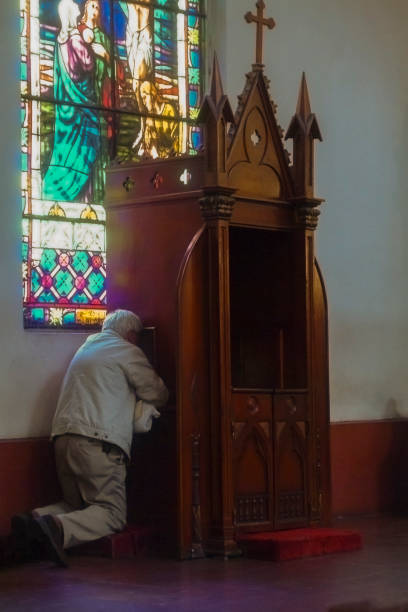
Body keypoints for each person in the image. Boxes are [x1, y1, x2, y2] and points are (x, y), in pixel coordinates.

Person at [11, 309, 168, 567]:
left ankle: (32, 521)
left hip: (62, 438)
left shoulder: (86, 347)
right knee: (112, 513)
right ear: (130, 335)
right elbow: (157, 391)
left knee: (75, 504)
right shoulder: (126, 350)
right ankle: (57, 528)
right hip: (98, 443)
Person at [42, 0, 110, 203]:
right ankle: (84, 199)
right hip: (83, 107)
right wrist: (96, 50)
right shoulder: (75, 38)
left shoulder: (60, 39)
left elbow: (58, 73)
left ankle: (66, 192)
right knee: (84, 149)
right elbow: (88, 65)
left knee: (67, 148)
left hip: (66, 106)